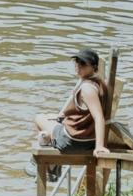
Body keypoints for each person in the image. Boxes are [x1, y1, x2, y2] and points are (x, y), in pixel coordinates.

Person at [32, 47, 113, 180]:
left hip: (72, 140)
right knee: (49, 117)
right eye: (77, 62)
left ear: (93, 67)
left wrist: (99, 146)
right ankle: (52, 157)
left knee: (38, 118)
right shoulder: (98, 82)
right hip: (84, 136)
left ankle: (51, 165)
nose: (78, 66)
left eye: (83, 64)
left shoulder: (87, 88)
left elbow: (99, 117)